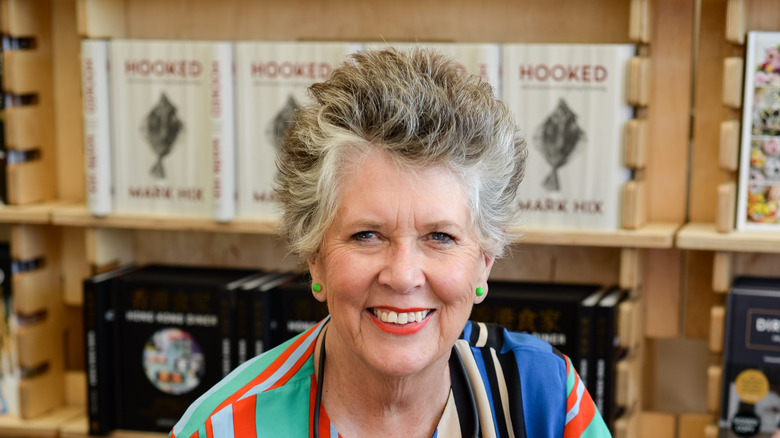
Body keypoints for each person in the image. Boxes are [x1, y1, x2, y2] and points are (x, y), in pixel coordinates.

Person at [170, 47, 610, 438]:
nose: (402, 276)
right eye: (367, 235)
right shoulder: (223, 427)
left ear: (484, 262)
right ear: (315, 258)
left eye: (440, 236)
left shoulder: (547, 399)